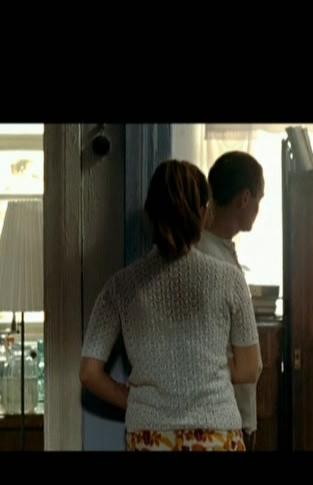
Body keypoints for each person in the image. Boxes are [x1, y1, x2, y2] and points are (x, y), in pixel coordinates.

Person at [79, 159, 261, 452]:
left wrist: (138, 401)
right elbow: (250, 368)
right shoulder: (229, 279)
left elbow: (89, 372)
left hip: (149, 437)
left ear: (150, 215)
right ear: (203, 214)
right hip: (217, 435)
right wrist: (201, 365)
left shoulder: (120, 286)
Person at [195, 151, 265, 451]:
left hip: (236, 413)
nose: (258, 209)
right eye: (259, 200)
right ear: (245, 199)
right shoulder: (203, 257)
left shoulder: (220, 251)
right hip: (218, 418)